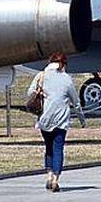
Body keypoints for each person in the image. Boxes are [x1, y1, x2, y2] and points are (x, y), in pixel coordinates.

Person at [27, 52, 86, 192]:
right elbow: (76, 102)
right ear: (63, 64)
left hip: (44, 118)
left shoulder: (41, 75)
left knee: (48, 147)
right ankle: (56, 179)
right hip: (61, 120)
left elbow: (30, 93)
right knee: (58, 148)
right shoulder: (66, 79)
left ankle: (49, 175)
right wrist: (81, 119)